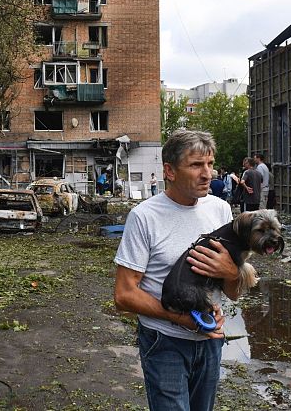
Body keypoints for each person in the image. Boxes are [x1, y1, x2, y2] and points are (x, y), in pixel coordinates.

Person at [113, 130, 240, 411]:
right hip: (164, 341)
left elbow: (232, 293)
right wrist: (181, 318)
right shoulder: (144, 216)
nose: (207, 174)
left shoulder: (220, 210)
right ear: (169, 171)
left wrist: (232, 273)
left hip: (210, 340)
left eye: (210, 164)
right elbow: (123, 295)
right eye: (196, 165)